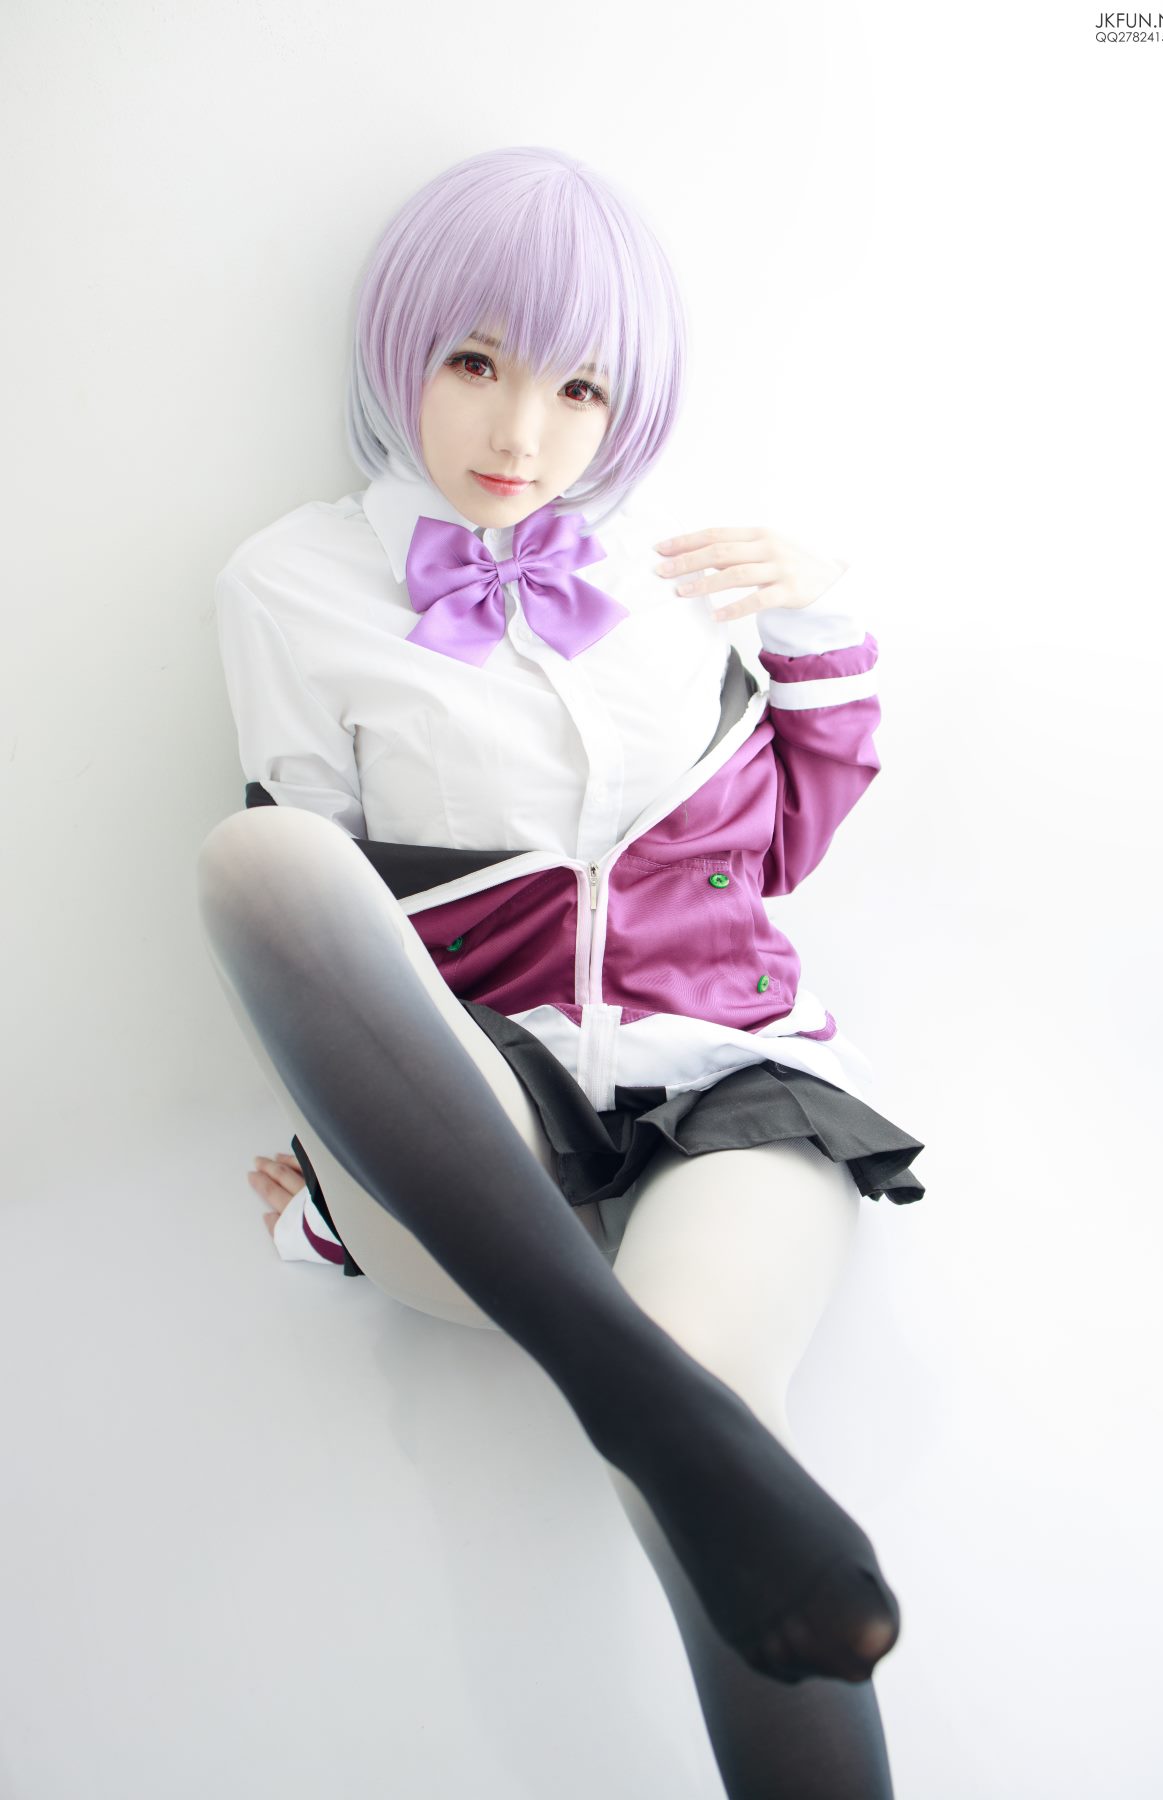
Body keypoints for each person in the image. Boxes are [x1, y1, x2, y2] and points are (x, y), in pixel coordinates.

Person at [197, 143, 925, 1799]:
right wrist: (340, 1147)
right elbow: (327, 923)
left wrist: (815, 627)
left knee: (710, 1381)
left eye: (580, 389)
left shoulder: (680, 579)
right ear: (402, 349)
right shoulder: (288, 586)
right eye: (477, 363)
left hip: (730, 1074)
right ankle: (650, 1415)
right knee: (261, 860)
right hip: (485, 1123)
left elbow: (779, 852)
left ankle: (665, 1423)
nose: (522, 434)